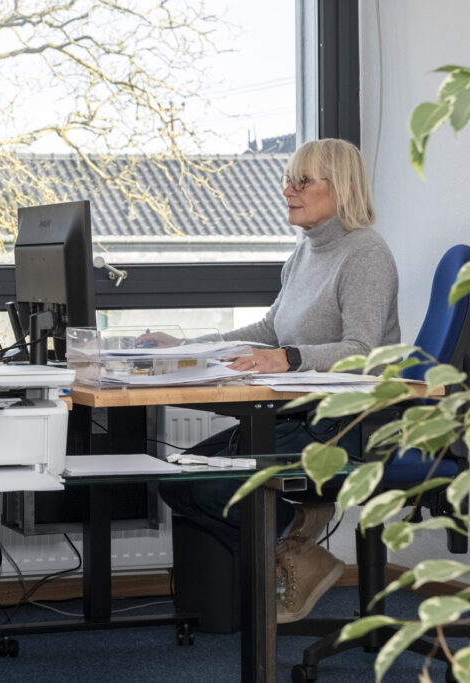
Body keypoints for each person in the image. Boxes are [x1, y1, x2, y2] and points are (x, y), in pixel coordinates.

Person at [158, 138, 400, 624]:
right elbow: (270, 329)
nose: (288, 190)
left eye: (302, 180)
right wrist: (191, 347)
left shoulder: (365, 254)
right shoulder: (305, 252)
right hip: (299, 415)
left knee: (208, 485)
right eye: (287, 179)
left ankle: (292, 542)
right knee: (178, 478)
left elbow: (365, 353)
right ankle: (297, 543)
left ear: (345, 187)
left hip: (347, 425)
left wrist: (288, 358)